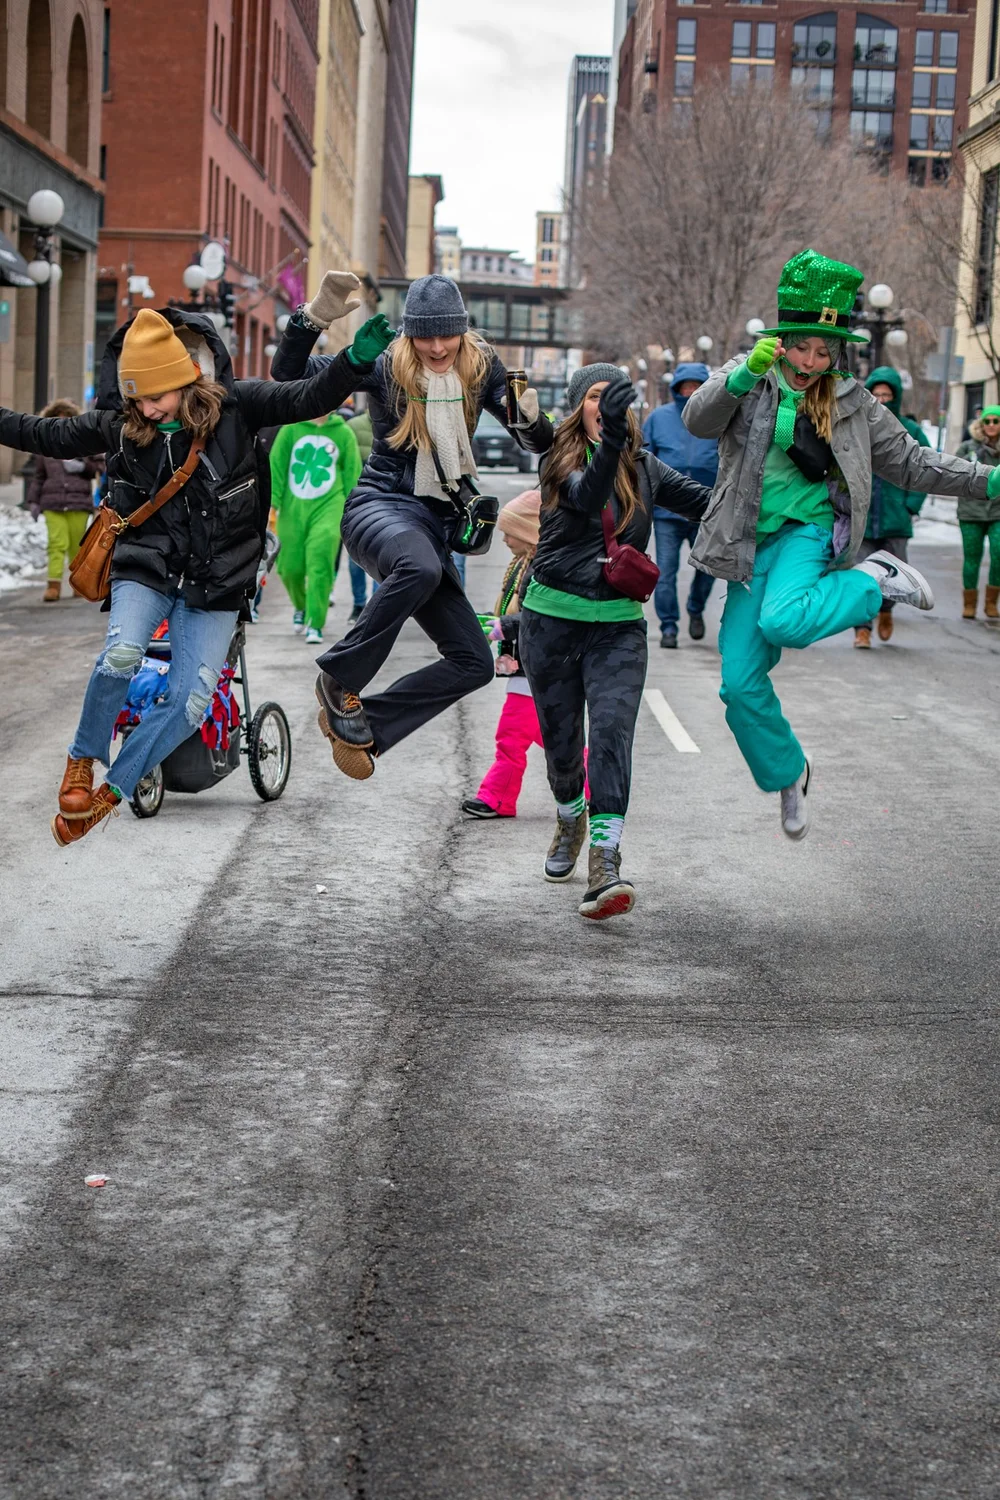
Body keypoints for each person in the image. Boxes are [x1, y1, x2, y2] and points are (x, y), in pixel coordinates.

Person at [0, 303, 387, 846]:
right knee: (122, 654)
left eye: (154, 397)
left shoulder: (238, 409)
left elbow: (306, 397)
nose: (146, 409)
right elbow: (47, 434)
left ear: (182, 380)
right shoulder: (123, 426)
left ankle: (113, 790)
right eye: (136, 398)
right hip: (146, 567)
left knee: (190, 703)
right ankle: (82, 760)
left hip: (217, 581)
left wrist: (351, 362)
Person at [683, 249, 1000, 840]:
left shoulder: (852, 402)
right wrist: (746, 372)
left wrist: (988, 479)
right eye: (802, 345)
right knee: (737, 683)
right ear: (783, 339)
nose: (810, 360)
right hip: (747, 547)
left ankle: (873, 579)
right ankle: (789, 773)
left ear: (837, 352)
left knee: (784, 622)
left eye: (824, 350)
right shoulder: (747, 378)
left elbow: (910, 462)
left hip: (807, 534)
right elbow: (698, 421)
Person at [269, 271, 553, 779]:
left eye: (448, 334)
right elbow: (289, 378)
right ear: (409, 333)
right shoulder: (383, 364)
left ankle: (370, 725)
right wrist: (312, 318)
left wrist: (532, 421)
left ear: (462, 332)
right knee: (419, 567)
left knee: (474, 663)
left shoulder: (480, 367)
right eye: (425, 334)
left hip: (433, 523)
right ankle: (338, 679)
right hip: (381, 504)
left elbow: (534, 442)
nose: (438, 346)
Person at [518, 366, 710, 921]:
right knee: (561, 748)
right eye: (595, 397)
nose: (604, 406)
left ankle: (604, 858)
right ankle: (569, 817)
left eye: (614, 398)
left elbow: (708, 502)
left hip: (619, 626)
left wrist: (775, 490)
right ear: (578, 407)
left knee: (609, 735)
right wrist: (615, 443)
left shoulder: (646, 468)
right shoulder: (557, 461)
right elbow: (588, 494)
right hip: (551, 623)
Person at [461, 489, 549, 819]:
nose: (504, 539)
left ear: (529, 532)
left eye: (509, 532)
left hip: (537, 668)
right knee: (546, 738)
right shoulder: (521, 564)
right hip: (527, 667)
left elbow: (538, 618)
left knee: (512, 736)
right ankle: (592, 783)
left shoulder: (540, 568)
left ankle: (497, 797)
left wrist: (498, 627)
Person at [642, 363, 719, 648]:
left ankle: (695, 608)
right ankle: (669, 626)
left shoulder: (717, 418)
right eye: (685, 386)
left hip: (708, 510)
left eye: (696, 385)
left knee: (709, 568)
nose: (691, 391)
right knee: (664, 572)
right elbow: (644, 459)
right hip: (667, 512)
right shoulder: (659, 418)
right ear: (676, 388)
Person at [269, 407, 362, 644]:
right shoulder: (290, 429)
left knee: (320, 561)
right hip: (293, 508)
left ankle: (315, 622)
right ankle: (300, 606)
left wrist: (355, 511)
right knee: (289, 568)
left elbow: (353, 473)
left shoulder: (343, 433)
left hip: (330, 506)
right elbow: (277, 468)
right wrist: (272, 504)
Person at [853, 366, 931, 647]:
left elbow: (927, 468)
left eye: (887, 394)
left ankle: (886, 611)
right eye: (877, 394)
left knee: (895, 574)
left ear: (895, 396)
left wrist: (911, 505)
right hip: (862, 518)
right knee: (862, 573)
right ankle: (862, 628)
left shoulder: (909, 430)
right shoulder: (857, 424)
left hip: (895, 516)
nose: (882, 399)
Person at [26, 399, 102, 602]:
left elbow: (100, 466)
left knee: (76, 547)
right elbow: (39, 476)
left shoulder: (84, 443)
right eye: (56, 421)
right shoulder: (45, 448)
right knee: (56, 544)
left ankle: (78, 584)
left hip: (79, 503)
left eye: (65, 421)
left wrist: (82, 467)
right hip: (52, 503)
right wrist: (33, 500)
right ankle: (53, 585)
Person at [955, 406, 1000, 621]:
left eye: (996, 421)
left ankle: (991, 602)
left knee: (998, 555)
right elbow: (951, 474)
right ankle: (969, 603)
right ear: (981, 424)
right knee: (971, 558)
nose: (991, 425)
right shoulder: (967, 447)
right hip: (971, 512)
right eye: (987, 421)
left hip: (998, 512)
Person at [345, 406, 376, 619]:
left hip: (390, 499)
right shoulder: (353, 427)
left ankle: (374, 608)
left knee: (383, 558)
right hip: (359, 499)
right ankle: (359, 603)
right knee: (355, 557)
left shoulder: (400, 424)